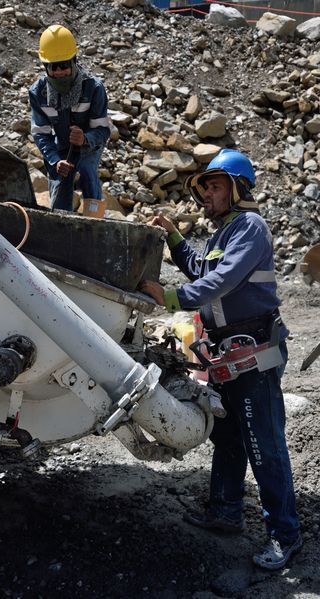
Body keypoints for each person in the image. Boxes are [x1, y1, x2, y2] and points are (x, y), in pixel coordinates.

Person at [140, 149, 302, 571]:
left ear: (238, 188)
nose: (206, 195)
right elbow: (201, 267)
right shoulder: (223, 233)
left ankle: (286, 536)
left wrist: (169, 298)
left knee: (264, 446)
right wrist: (175, 237)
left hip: (254, 358)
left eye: (214, 186)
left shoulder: (251, 227)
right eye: (205, 189)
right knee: (228, 439)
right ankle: (226, 511)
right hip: (228, 358)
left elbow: (220, 281)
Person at [29, 24, 110, 211]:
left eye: (63, 66)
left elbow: (102, 131)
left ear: (74, 61)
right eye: (52, 67)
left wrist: (85, 139)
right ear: (45, 67)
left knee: (87, 173)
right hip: (61, 147)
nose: (58, 72)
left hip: (89, 147)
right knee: (60, 184)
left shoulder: (94, 88)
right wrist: (55, 160)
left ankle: (95, 223)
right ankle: (61, 222)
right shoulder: (38, 93)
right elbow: (41, 133)